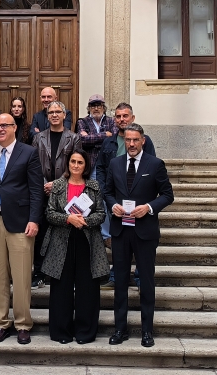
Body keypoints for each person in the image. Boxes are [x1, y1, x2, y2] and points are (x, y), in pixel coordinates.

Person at [0, 113, 43, 345]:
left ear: (15, 127)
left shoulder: (29, 153)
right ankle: (1, 323)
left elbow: (36, 190)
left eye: (5, 125)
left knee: (22, 276)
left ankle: (23, 324)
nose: (0, 129)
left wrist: (34, 219)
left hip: (21, 222)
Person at [104, 123, 174, 348]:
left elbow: (167, 195)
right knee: (121, 281)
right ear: (124, 140)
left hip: (145, 231)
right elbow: (107, 191)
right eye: (128, 140)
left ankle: (146, 331)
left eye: (136, 140)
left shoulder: (155, 164)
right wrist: (113, 205)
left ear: (143, 140)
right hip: (121, 230)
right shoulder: (115, 164)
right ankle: (120, 329)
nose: (131, 144)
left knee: (146, 281)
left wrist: (149, 207)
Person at [41, 149, 109, 344]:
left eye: (80, 162)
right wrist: (68, 218)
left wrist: (84, 221)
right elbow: (50, 213)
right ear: (68, 164)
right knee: (61, 288)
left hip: (87, 241)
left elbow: (101, 214)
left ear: (85, 165)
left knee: (87, 288)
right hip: (61, 241)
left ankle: (85, 332)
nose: (76, 166)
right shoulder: (58, 186)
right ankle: (61, 332)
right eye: (73, 162)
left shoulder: (94, 186)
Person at [96, 103, 156, 290]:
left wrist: (148, 199)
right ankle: (117, 276)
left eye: (125, 116)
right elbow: (100, 168)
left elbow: (152, 167)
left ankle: (139, 278)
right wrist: (106, 192)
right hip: (117, 200)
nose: (122, 119)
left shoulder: (146, 141)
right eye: (119, 116)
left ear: (132, 118)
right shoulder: (109, 142)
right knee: (119, 239)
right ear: (115, 120)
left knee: (141, 239)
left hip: (139, 201)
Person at [31, 101, 81, 288]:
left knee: (63, 234)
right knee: (41, 234)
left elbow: (76, 164)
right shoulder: (38, 138)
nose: (54, 115)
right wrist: (45, 184)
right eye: (50, 112)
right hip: (42, 192)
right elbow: (34, 165)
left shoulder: (74, 138)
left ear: (64, 115)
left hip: (65, 192)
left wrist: (58, 184)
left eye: (57, 112)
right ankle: (40, 272)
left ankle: (63, 272)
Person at [76, 94, 115, 179]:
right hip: (90, 164)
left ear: (104, 108)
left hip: (108, 163)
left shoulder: (111, 121)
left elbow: (113, 139)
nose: (96, 108)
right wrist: (105, 135)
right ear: (89, 108)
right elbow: (83, 140)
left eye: (99, 106)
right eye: (93, 106)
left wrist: (91, 139)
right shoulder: (82, 121)